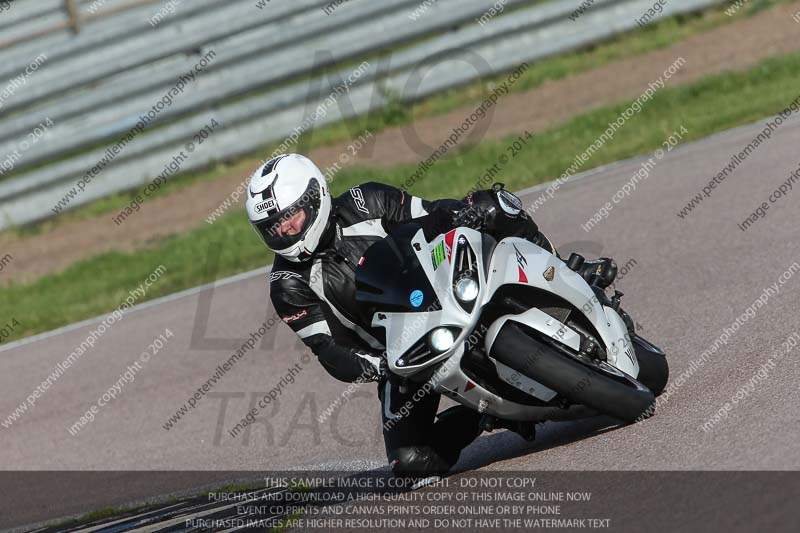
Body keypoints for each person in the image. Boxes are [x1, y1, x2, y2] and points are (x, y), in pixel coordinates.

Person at [247, 153, 616, 478]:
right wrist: (384, 366)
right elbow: (330, 351)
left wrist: (464, 212)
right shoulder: (287, 286)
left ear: (315, 197)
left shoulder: (366, 199)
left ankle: (567, 273)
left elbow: (434, 214)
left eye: (290, 217)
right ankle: (487, 413)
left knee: (495, 206)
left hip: (448, 285)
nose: (285, 231)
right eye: (273, 227)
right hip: (403, 356)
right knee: (411, 462)